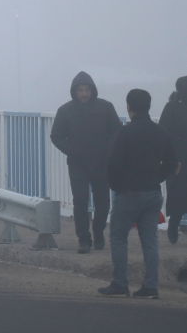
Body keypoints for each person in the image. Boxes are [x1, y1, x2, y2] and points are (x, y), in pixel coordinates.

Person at [98, 89, 179, 299]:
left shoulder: (125, 133)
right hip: (153, 193)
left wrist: (116, 186)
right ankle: (150, 286)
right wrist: (156, 178)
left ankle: (120, 283)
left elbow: (113, 164)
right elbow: (171, 163)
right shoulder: (161, 132)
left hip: (129, 194)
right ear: (149, 106)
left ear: (128, 107)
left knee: (118, 237)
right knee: (150, 241)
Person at [50, 71, 122, 254]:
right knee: (80, 201)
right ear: (74, 92)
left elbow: (116, 131)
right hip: (77, 163)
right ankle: (83, 239)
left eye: (87, 90)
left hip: (101, 162)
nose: (84, 94)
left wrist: (108, 150)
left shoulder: (106, 107)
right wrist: (71, 150)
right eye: (80, 90)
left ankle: (98, 232)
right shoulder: (65, 110)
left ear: (92, 90)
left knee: (103, 201)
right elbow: (56, 135)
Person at [159, 76, 187, 244]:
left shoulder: (171, 107)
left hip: (176, 158)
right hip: (177, 160)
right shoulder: (171, 107)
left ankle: (175, 226)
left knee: (178, 193)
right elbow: (163, 132)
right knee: (177, 193)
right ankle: (174, 226)